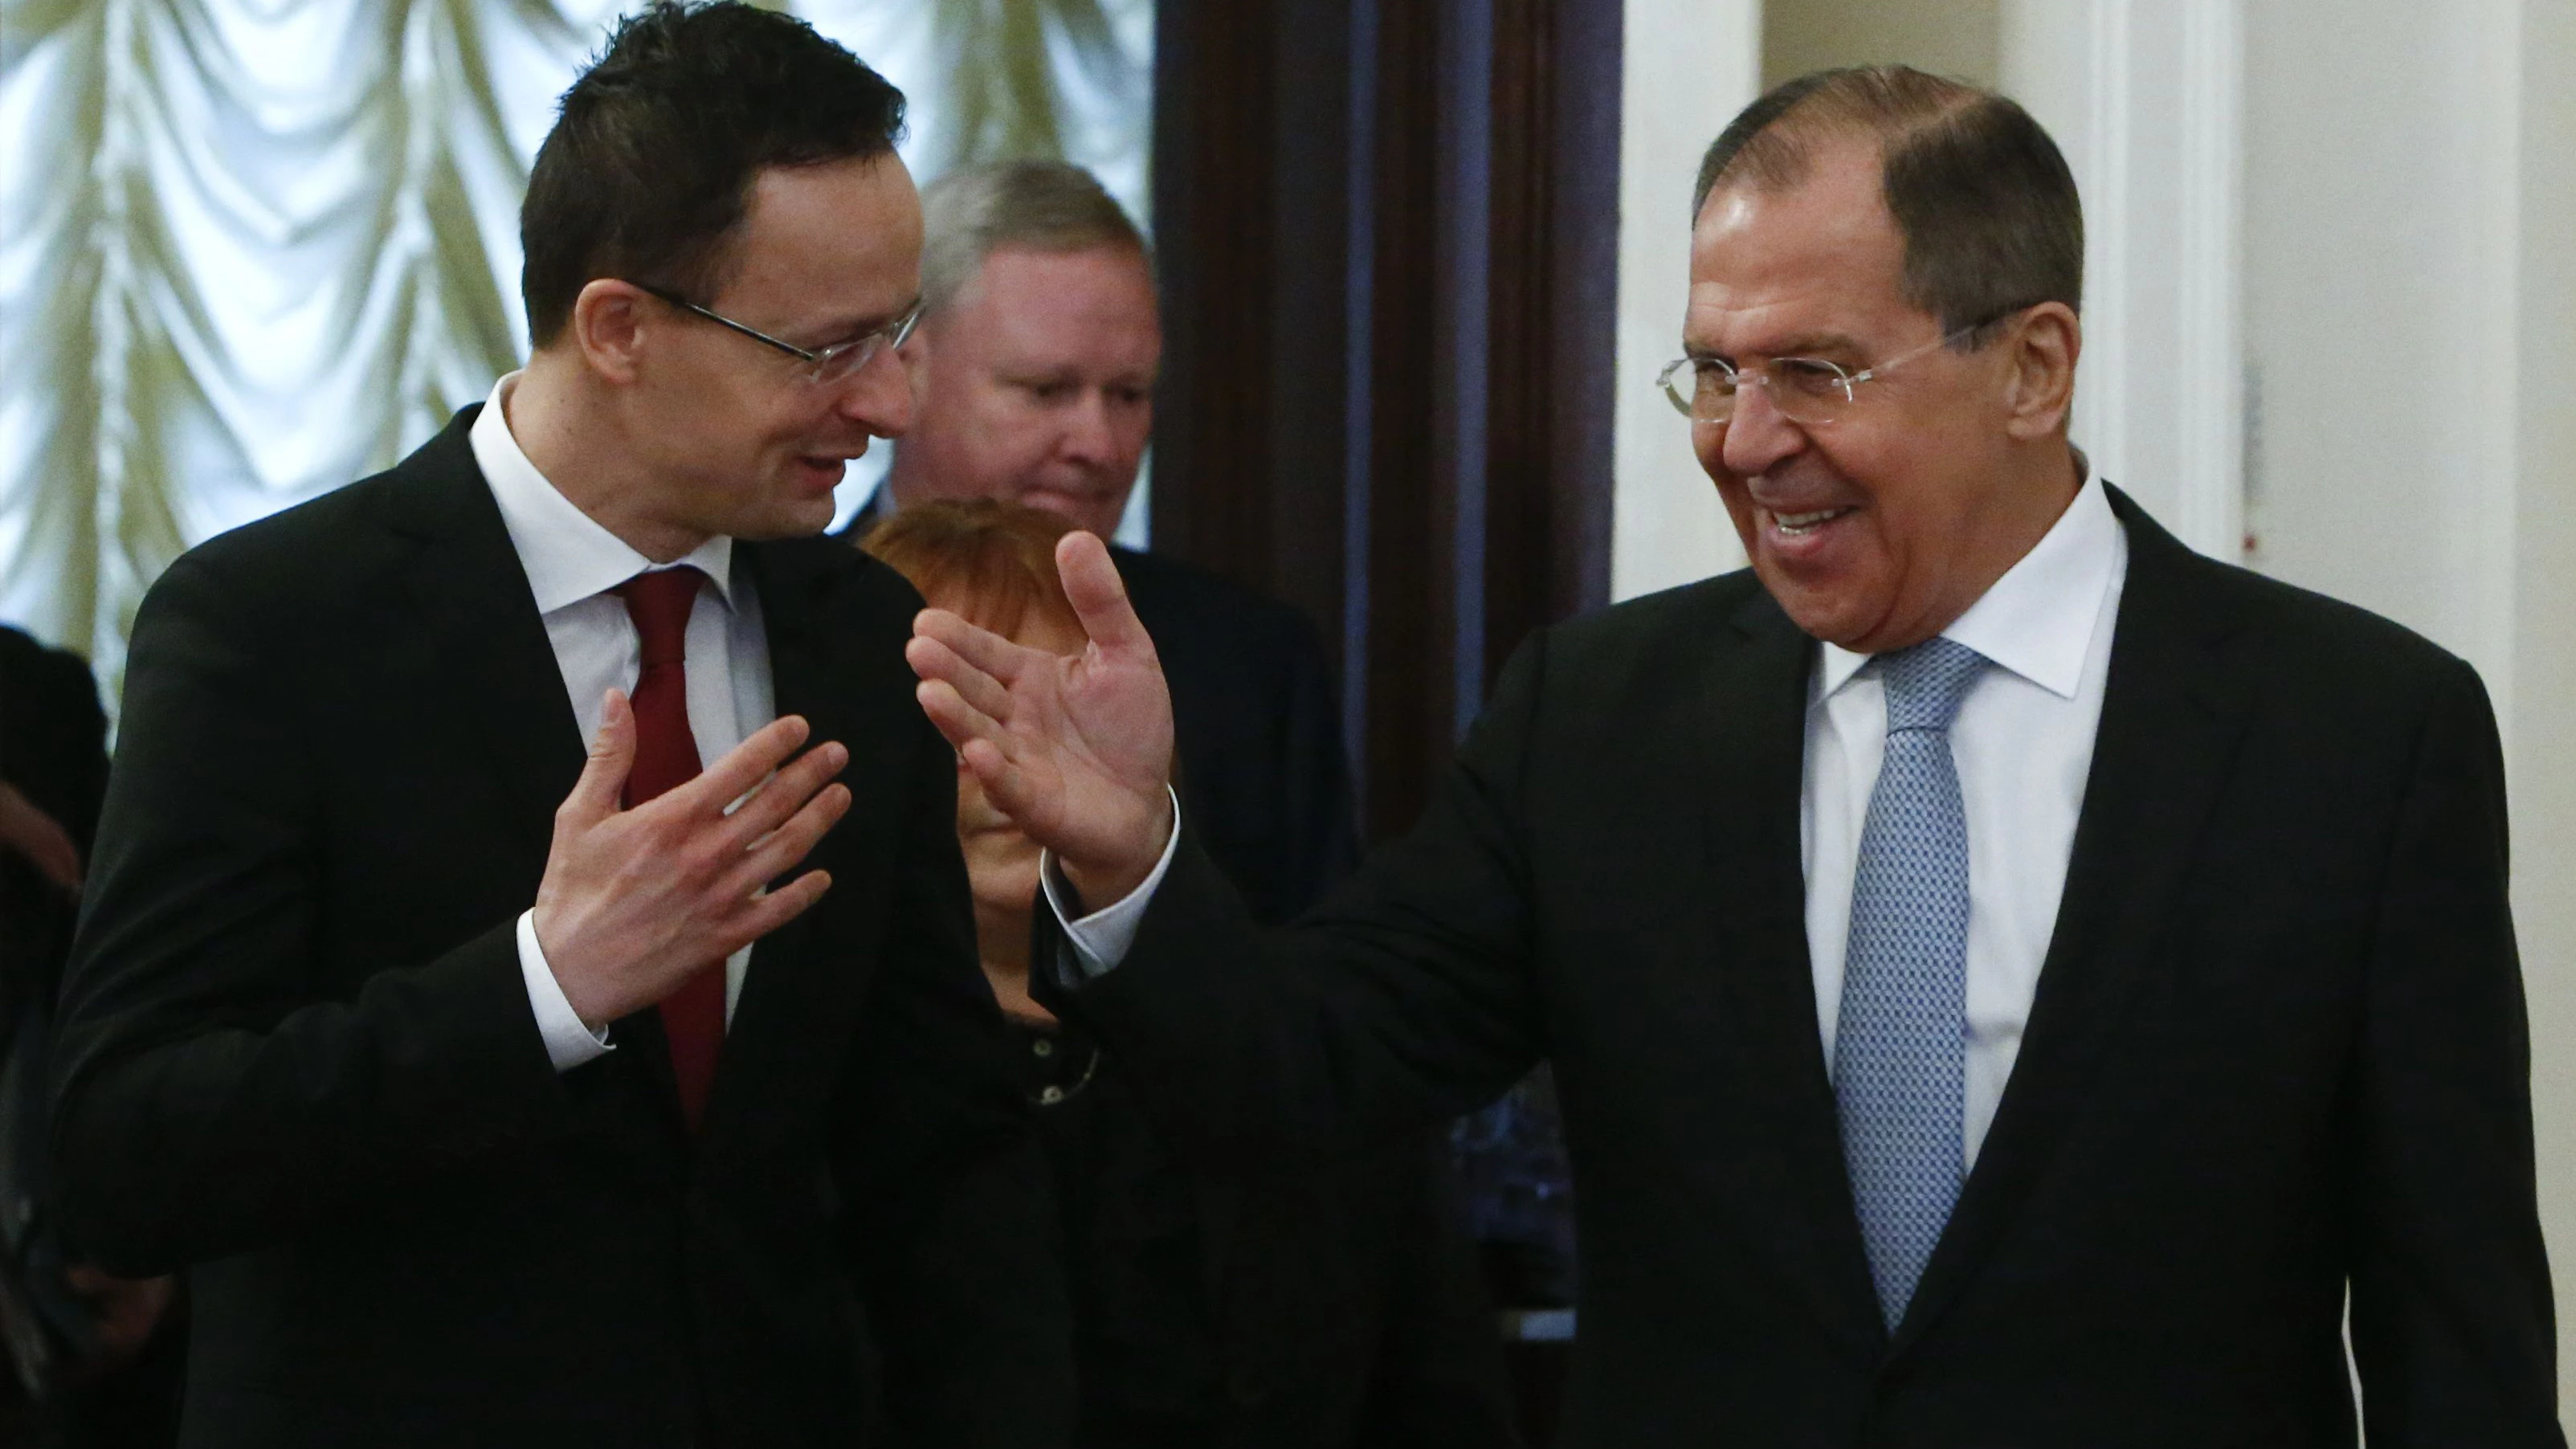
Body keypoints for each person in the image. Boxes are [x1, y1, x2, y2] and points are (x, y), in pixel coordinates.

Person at [906, 65, 2567, 1447]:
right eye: (1710, 370)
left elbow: (2454, 1325)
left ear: (2031, 367)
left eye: (1813, 370)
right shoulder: (1602, 716)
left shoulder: (2354, 735)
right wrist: (1130, 856)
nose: (1740, 439)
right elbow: (1304, 1071)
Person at [47, 6, 1063, 1446]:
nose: (893, 402)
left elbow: (943, 1165)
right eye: (828, 349)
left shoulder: (858, 630)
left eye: (899, 334)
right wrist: (543, 984)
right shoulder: (272, 627)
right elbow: (124, 1154)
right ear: (619, 329)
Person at [863, 500, 1517, 1449]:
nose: (1005, 761)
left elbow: (1440, 1400)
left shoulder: (1299, 1039)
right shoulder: (794, 1061)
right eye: (964, 704)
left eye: (1060, 706)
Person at [873, 159, 1357, 925]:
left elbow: (1305, 991)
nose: (1099, 444)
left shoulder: (1251, 663)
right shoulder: (787, 616)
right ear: (907, 371)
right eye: (1045, 391)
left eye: (1129, 395)